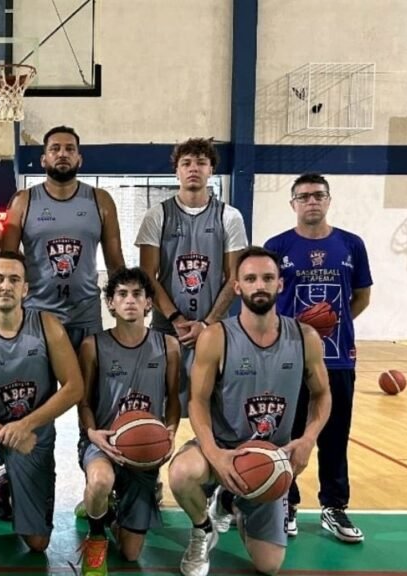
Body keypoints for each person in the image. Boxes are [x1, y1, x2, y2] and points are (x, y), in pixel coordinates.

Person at [167, 247, 331, 576]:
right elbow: (197, 401)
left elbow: (322, 394)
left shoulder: (305, 337)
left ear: (279, 285)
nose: (260, 285)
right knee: (182, 473)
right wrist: (214, 453)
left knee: (269, 566)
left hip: (269, 458)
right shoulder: (216, 337)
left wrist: (308, 438)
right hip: (224, 448)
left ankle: (230, 504)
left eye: (268, 278)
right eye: (251, 278)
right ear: (237, 287)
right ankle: (203, 528)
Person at [0, 251, 84, 576]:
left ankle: (7, 486)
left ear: (25, 289)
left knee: (37, 543)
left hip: (34, 434)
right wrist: (4, 432)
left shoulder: (47, 327)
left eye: (13, 279)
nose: (5, 285)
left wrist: (27, 425)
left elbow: (74, 387)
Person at [262, 173, 372, 542]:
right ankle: (287, 502)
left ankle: (334, 506)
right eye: (304, 196)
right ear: (292, 203)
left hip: (338, 358)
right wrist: (301, 337)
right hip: (289, 358)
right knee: (288, 433)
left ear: (328, 200)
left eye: (318, 195)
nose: (311, 201)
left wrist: (324, 328)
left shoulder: (351, 245)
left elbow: (361, 297)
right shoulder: (276, 246)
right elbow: (268, 300)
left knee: (335, 434)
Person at [76, 267, 181, 575]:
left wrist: (171, 430)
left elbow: (173, 398)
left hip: (144, 449)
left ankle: (107, 509)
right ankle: (96, 535)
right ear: (110, 303)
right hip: (103, 441)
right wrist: (92, 433)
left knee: (132, 554)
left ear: (149, 303)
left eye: (138, 294)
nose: (130, 300)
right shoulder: (92, 346)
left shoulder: (168, 346)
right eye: (122, 294)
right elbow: (83, 402)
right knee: (100, 480)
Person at [136, 138, 248, 412]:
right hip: (167, 329)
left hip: (214, 329)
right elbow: (147, 275)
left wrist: (208, 323)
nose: (193, 168)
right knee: (161, 411)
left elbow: (234, 278)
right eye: (186, 163)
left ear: (211, 170)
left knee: (214, 411)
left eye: (201, 162)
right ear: (177, 172)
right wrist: (176, 318)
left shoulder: (229, 217)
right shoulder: (157, 215)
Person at [1, 125, 125, 349]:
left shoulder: (101, 200)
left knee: (87, 384)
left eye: (70, 149)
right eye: (55, 149)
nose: (62, 154)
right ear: (43, 159)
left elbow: (116, 264)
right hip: (36, 313)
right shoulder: (23, 201)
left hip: (85, 314)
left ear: (79, 158)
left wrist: (123, 309)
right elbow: (7, 264)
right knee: (36, 385)